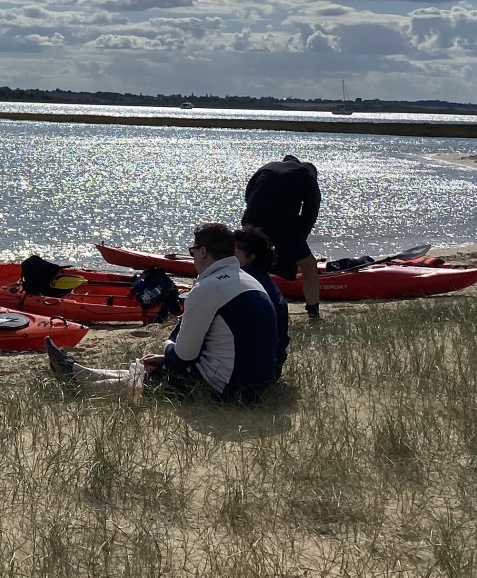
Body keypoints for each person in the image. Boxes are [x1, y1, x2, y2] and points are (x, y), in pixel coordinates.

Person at [46, 223, 280, 403]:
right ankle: (79, 373)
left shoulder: (208, 288)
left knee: (161, 377)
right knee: (162, 367)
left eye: (193, 250)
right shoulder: (248, 281)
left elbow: (185, 355)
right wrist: (170, 357)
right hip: (257, 383)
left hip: (229, 390)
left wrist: (168, 346)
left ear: (203, 252)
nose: (193, 256)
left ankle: (80, 385)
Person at [242, 152, 323, 320]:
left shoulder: (267, 167)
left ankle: (245, 301)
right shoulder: (307, 177)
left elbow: (248, 194)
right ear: (312, 174)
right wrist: (298, 243)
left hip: (251, 219)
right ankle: (313, 314)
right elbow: (310, 214)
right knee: (308, 265)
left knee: (251, 260)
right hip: (282, 224)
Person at [234, 225, 291, 377]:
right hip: (273, 367)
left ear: (251, 257)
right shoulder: (269, 284)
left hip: (250, 373)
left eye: (233, 255)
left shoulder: (242, 283)